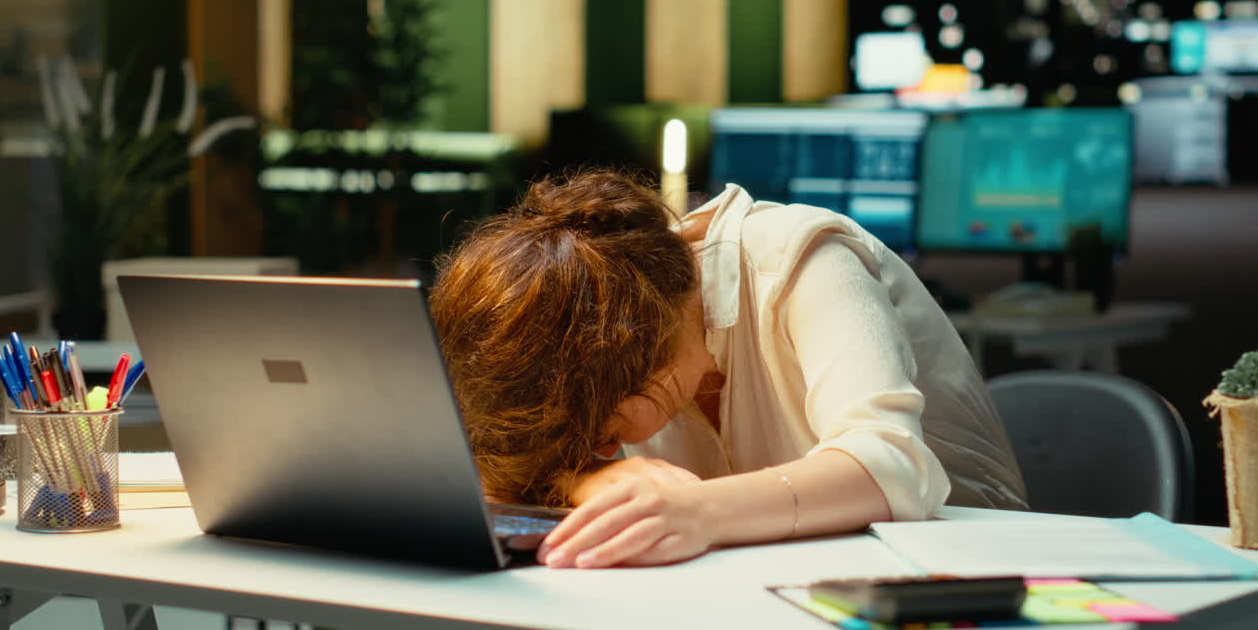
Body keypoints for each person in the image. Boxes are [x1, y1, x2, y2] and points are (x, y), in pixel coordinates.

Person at [429, 169, 1027, 569]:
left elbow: (891, 465)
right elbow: (495, 472)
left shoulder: (802, 256)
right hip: (782, 574)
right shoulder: (622, 315)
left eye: (601, 431)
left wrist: (700, 511)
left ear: (640, 352)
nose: (605, 448)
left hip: (967, 565)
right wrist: (584, 480)